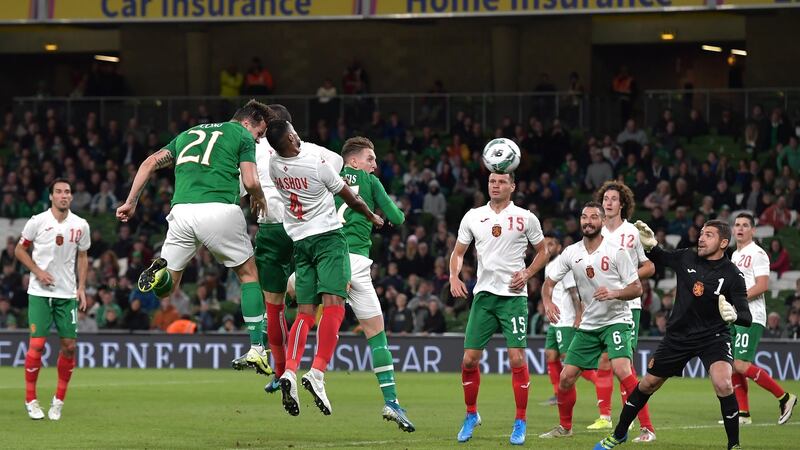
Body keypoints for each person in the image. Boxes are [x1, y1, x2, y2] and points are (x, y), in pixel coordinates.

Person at [116, 100, 272, 376]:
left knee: (168, 288)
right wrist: (259, 198)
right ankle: (257, 348)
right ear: (249, 122)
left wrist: (131, 202)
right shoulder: (241, 136)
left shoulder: (189, 133)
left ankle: (159, 271)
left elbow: (150, 162)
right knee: (249, 276)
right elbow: (249, 181)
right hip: (219, 209)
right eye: (259, 134)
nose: (258, 140)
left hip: (181, 212)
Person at [594, 219, 752, 450]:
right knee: (648, 384)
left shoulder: (733, 275)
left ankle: (734, 445)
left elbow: (746, 316)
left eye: (709, 235)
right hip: (678, 336)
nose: (701, 237)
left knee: (724, 383)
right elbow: (662, 257)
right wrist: (651, 246)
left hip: (713, 337)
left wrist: (734, 315)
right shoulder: (687, 256)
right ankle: (619, 434)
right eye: (701, 233)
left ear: (723, 243)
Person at [265, 119, 383, 417]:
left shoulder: (273, 166)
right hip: (329, 240)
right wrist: (372, 216)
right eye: (294, 131)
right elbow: (350, 197)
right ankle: (317, 373)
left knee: (304, 313)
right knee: (334, 307)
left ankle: (290, 371)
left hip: (300, 243)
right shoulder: (315, 163)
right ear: (292, 137)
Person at [229, 105, 344, 390]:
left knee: (274, 306)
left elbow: (242, 187)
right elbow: (339, 161)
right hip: (305, 229)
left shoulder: (252, 150)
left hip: (271, 229)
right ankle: (309, 369)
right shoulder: (310, 151)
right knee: (311, 305)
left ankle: (281, 373)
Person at [450, 172, 548, 445]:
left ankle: (520, 421)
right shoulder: (473, 216)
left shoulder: (526, 217)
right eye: (493, 181)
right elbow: (458, 253)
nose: (496, 185)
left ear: (513, 186)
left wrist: (528, 273)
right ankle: (471, 414)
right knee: (469, 360)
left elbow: (543, 251)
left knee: (517, 359)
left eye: (502, 181)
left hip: (513, 297)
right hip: (484, 296)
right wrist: (454, 276)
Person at [539, 202, 643, 441]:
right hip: (590, 324)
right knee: (566, 377)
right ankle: (565, 427)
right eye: (584, 217)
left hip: (617, 319)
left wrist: (614, 293)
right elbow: (548, 283)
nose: (588, 221)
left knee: (622, 370)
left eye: (593, 217)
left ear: (603, 222)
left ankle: (646, 428)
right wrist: (548, 303)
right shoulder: (571, 253)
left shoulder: (617, 251)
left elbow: (637, 288)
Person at [333, 136, 415, 431]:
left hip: (325, 258)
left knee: (293, 295)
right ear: (354, 160)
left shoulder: (327, 174)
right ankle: (391, 401)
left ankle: (280, 367)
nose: (375, 165)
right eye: (371, 159)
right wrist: (386, 216)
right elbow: (397, 217)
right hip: (355, 262)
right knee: (376, 334)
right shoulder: (371, 182)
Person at [15, 178, 90, 420]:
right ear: (51, 197)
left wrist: (82, 287)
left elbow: (83, 257)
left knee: (69, 346)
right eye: (58, 192)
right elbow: (19, 250)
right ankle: (31, 400)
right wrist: (37, 272)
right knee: (37, 344)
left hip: (66, 294)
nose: (63, 195)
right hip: (39, 292)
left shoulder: (80, 225)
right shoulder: (37, 222)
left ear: (71, 196)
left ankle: (58, 401)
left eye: (67, 192)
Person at [593, 181, 656, 441]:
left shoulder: (632, 232)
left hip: (628, 305)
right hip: (602, 306)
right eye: (605, 198)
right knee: (609, 362)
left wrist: (626, 279)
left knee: (624, 365)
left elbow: (649, 267)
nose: (608, 202)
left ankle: (646, 427)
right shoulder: (595, 232)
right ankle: (619, 418)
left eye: (613, 199)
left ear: (622, 204)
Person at [728, 213, 796, 425]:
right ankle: (744, 414)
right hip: (735, 315)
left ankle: (785, 397)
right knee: (732, 365)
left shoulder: (758, 253)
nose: (740, 228)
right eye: (737, 225)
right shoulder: (734, 256)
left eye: (745, 225)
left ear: (753, 230)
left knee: (741, 364)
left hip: (751, 315)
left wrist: (737, 300)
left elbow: (762, 286)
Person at [541, 233, 605, 416]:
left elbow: (573, 292)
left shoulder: (562, 264)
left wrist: (579, 315)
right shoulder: (548, 265)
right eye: (545, 244)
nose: (547, 248)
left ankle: (600, 381)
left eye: (551, 244)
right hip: (555, 319)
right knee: (551, 354)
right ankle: (556, 394)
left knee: (569, 359)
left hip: (566, 318)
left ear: (559, 247)